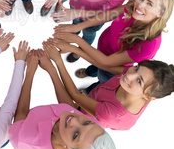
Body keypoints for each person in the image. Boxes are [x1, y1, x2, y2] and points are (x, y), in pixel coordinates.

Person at [8, 49, 117, 149]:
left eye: (75, 135)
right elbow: (68, 107)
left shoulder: (24, 141)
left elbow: (20, 112)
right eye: (87, 122)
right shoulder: (96, 129)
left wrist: (30, 72)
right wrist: (52, 70)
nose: (74, 119)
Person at [53, 0, 173, 93]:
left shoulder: (149, 45)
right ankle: (89, 72)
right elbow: (108, 15)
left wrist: (76, 41)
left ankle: (89, 90)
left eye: (149, 4)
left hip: (111, 67)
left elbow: (106, 62)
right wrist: (78, 26)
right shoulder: (133, 5)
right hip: (102, 48)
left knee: (103, 80)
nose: (140, 4)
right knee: (95, 66)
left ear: (161, 13)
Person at [43, 41, 174, 130]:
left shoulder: (112, 115)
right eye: (136, 68)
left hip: (85, 114)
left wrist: (58, 62)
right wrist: (73, 48)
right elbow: (104, 65)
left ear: (149, 97)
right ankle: (87, 89)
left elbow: (74, 96)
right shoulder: (135, 82)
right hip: (98, 93)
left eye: (139, 81)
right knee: (94, 87)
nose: (129, 75)